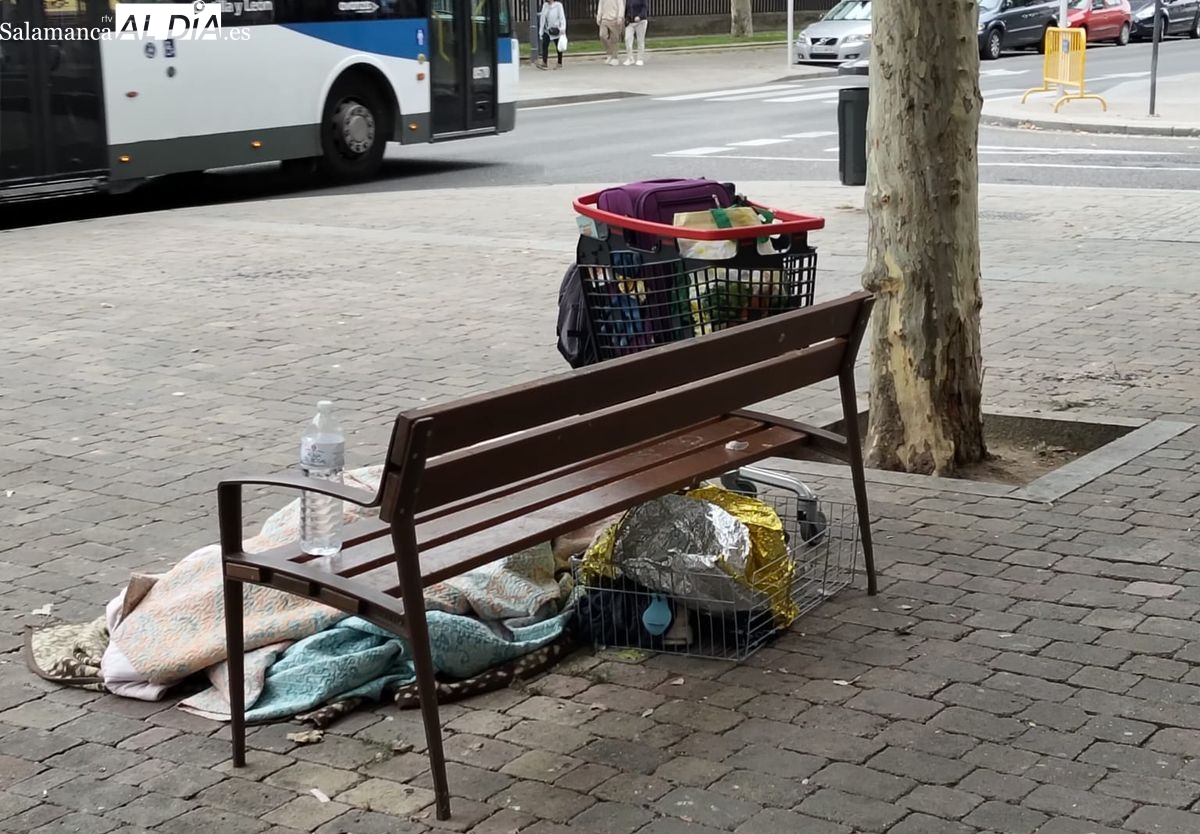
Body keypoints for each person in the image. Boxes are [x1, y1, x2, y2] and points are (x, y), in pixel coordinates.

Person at [538, 0, 566, 70]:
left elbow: (562, 17)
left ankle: (559, 63)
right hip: (547, 29)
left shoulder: (558, 5)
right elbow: (542, 19)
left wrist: (562, 28)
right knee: (544, 45)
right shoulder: (545, 6)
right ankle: (544, 63)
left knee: (558, 47)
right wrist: (541, 30)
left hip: (556, 29)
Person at [595, 0, 625, 66]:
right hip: (604, 19)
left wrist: (620, 17)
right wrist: (598, 16)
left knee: (615, 39)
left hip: (614, 19)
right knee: (602, 35)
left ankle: (614, 58)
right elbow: (600, 6)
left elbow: (621, 7)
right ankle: (609, 53)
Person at [623, 0, 648, 66]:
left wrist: (640, 16)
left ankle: (640, 59)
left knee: (640, 40)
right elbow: (626, 9)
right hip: (630, 22)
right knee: (627, 39)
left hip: (641, 22)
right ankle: (630, 58)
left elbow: (644, 8)